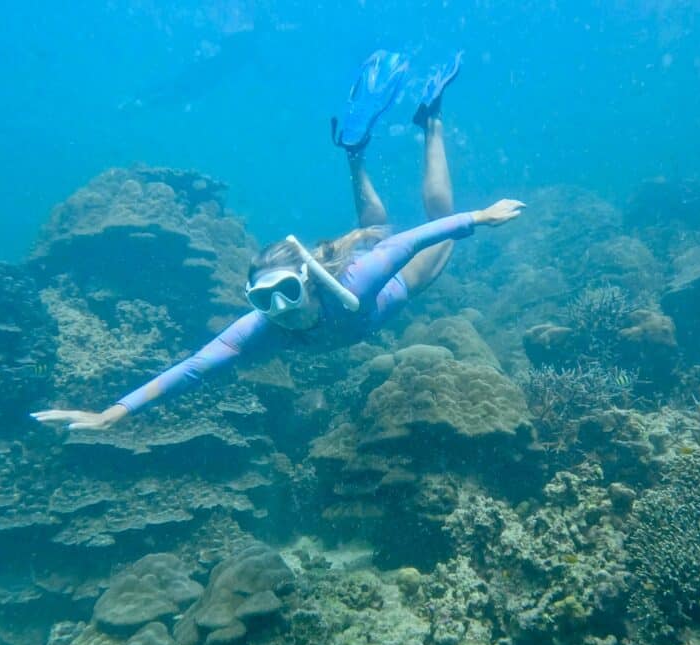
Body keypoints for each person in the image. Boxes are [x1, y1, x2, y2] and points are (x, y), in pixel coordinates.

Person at [33, 50, 524, 432]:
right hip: (359, 285)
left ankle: (429, 118)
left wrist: (478, 217)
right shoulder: (263, 327)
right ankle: (354, 150)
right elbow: (193, 368)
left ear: (310, 282)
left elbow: (416, 240)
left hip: (395, 289)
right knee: (373, 228)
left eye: (286, 291)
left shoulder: (361, 278)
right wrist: (113, 413)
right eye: (262, 298)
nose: (278, 308)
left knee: (431, 221)